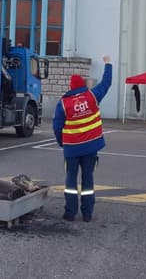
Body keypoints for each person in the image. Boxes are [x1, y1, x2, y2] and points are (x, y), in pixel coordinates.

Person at [53, 55, 112, 222]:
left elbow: (57, 127)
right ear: (83, 86)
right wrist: (108, 64)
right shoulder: (92, 96)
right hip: (91, 148)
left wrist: (62, 143)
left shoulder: (63, 103)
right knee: (88, 180)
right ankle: (87, 214)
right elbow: (106, 83)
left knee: (71, 179)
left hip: (71, 148)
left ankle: (70, 213)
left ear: (70, 87)